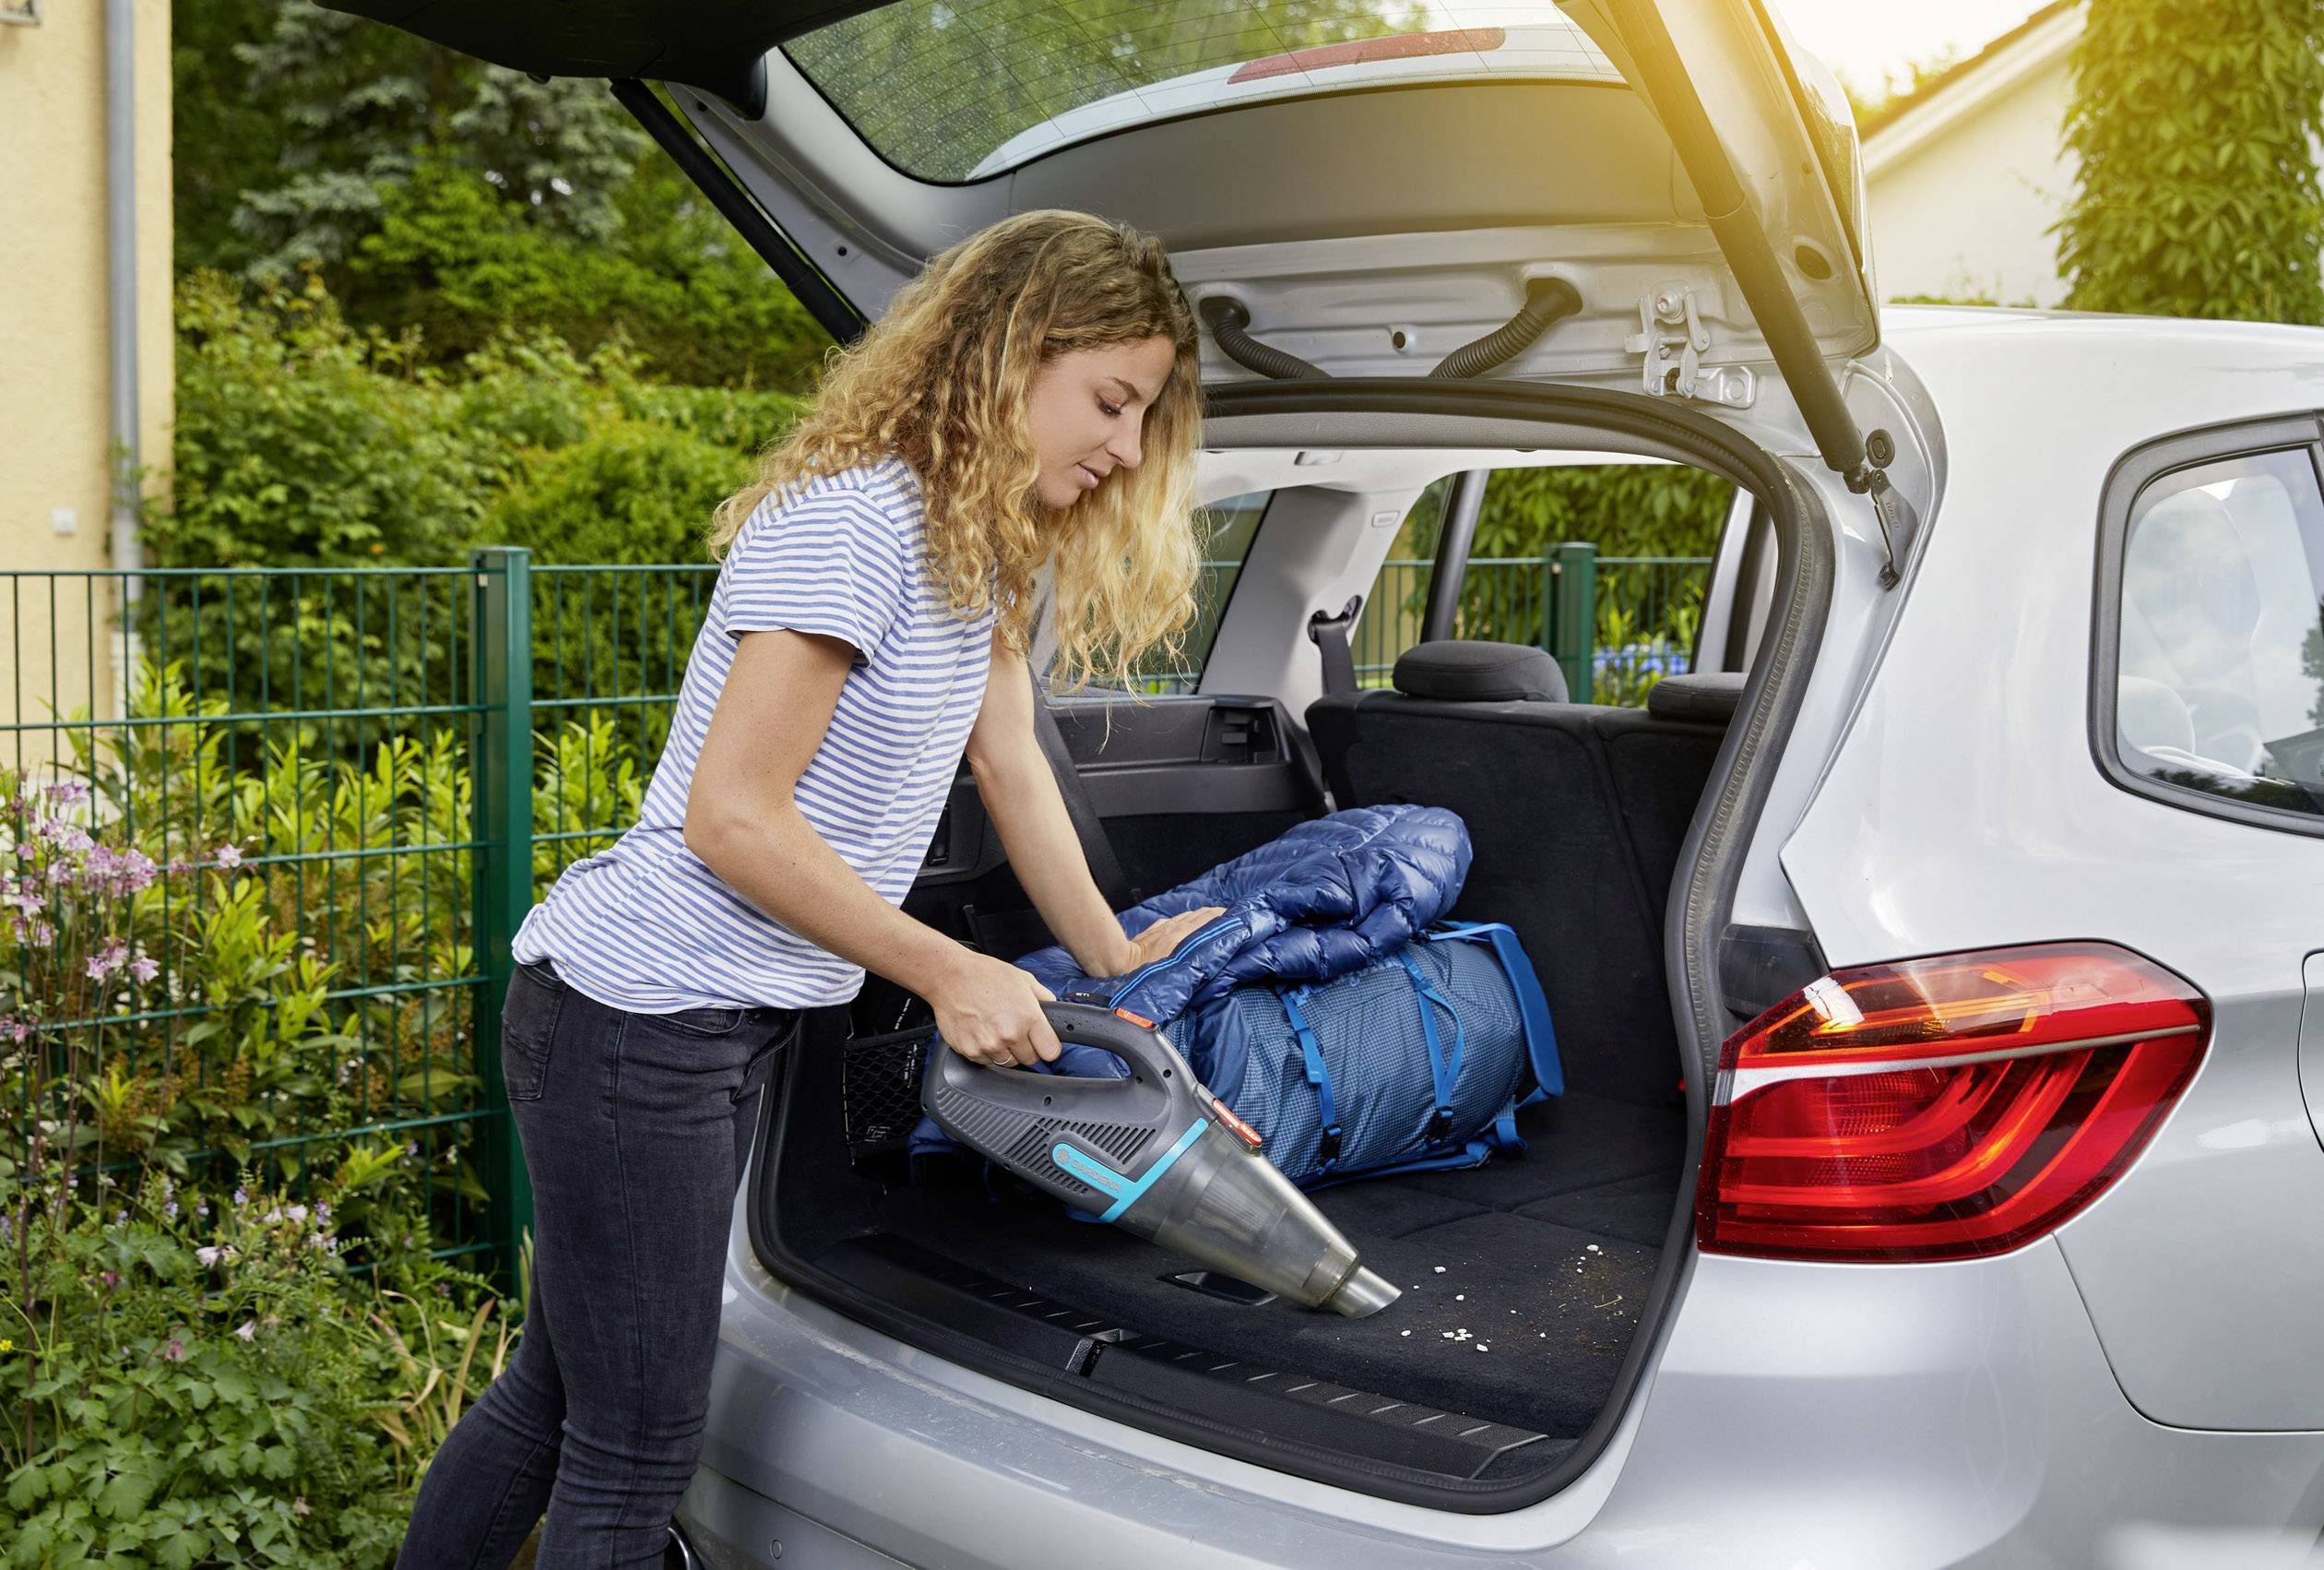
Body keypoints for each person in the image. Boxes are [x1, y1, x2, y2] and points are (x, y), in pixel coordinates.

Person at [399, 208, 1229, 1567]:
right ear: (1013, 352)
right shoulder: (852, 525)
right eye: (1112, 400)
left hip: (702, 1030)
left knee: (555, 1395)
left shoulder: (979, 547)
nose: (1127, 448)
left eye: (1143, 416)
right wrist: (947, 967)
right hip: (636, 1020)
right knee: (637, 1440)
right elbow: (734, 816)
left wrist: (1114, 955)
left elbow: (1014, 762)